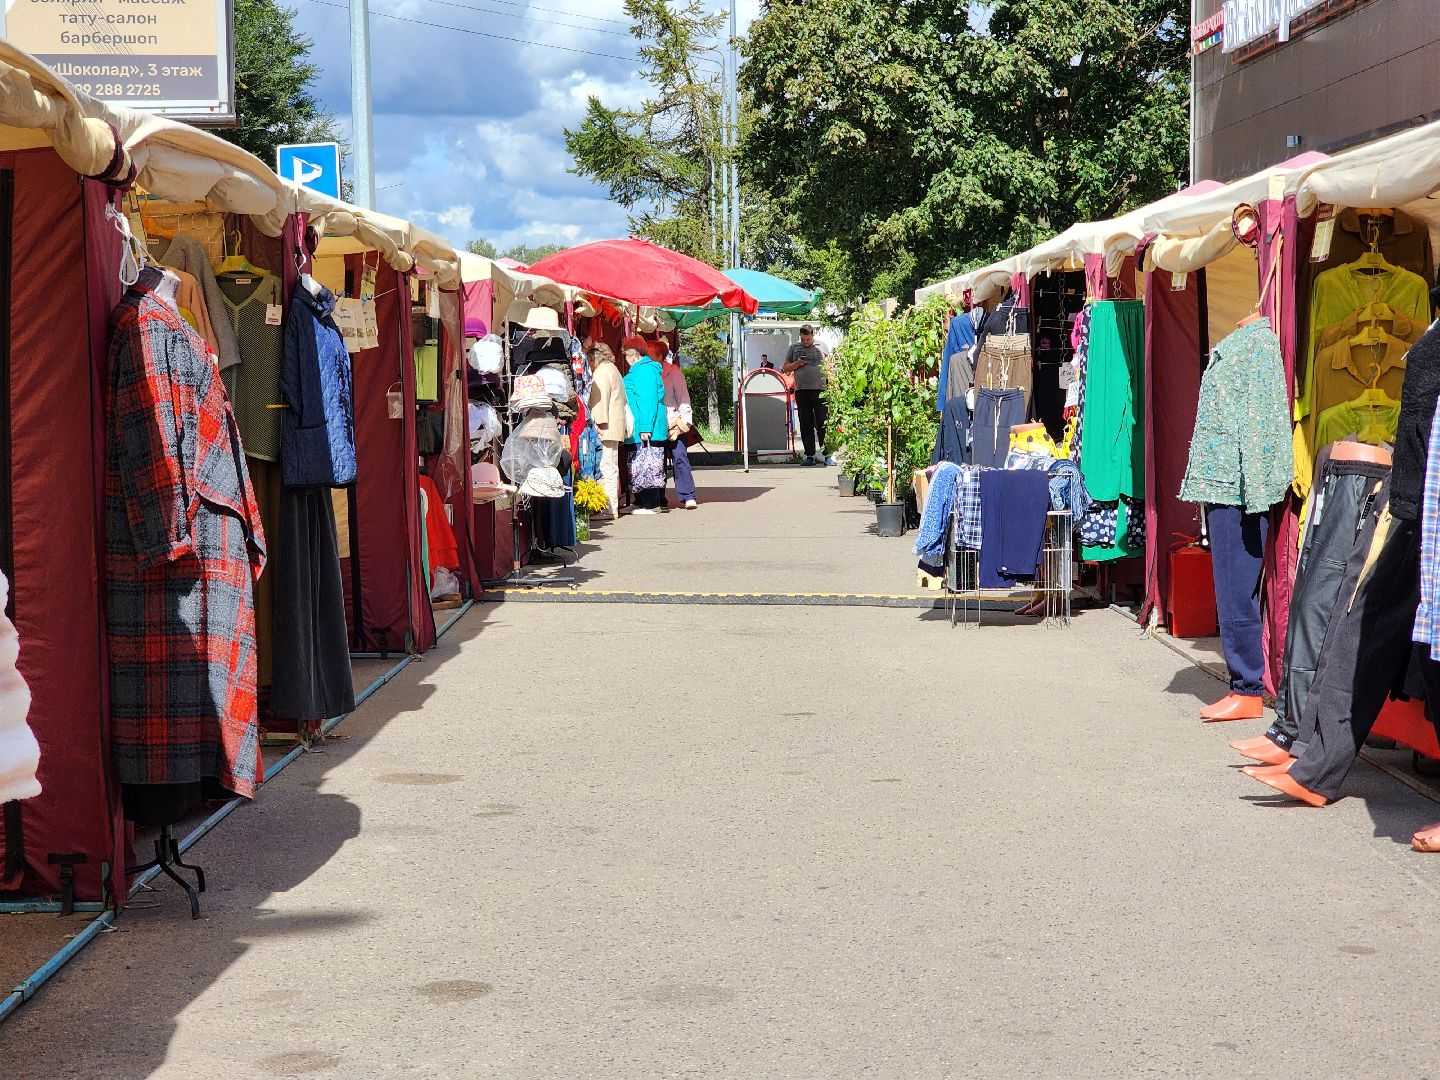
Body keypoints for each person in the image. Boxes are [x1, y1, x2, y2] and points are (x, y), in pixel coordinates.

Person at [649, 340, 698, 509]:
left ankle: (688, 495)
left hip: (674, 422)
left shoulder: (674, 372)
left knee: (680, 457)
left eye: (649, 354)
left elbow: (683, 397)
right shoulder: (648, 372)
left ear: (660, 356)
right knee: (657, 460)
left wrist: (685, 421)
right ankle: (659, 499)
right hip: (655, 424)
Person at [621, 337, 668, 515]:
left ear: (633, 355)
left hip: (646, 428)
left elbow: (647, 401)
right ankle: (641, 501)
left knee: (647, 464)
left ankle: (650, 504)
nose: (626, 359)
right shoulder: (643, 370)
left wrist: (645, 427)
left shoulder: (644, 372)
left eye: (626, 355)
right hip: (641, 427)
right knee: (639, 464)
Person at [586, 343, 625, 519]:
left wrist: (598, 423)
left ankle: (608, 508)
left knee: (605, 467)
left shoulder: (602, 372)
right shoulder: (613, 369)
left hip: (605, 426)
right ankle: (610, 507)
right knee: (611, 466)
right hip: (614, 425)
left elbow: (599, 400)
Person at [782, 324, 829, 465]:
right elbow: (785, 368)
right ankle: (810, 456)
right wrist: (796, 364)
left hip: (821, 390)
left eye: (808, 339)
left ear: (812, 336)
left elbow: (830, 366)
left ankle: (828, 455)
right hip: (802, 390)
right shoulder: (794, 348)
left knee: (823, 422)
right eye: (803, 339)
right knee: (805, 423)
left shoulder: (822, 346)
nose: (805, 342)